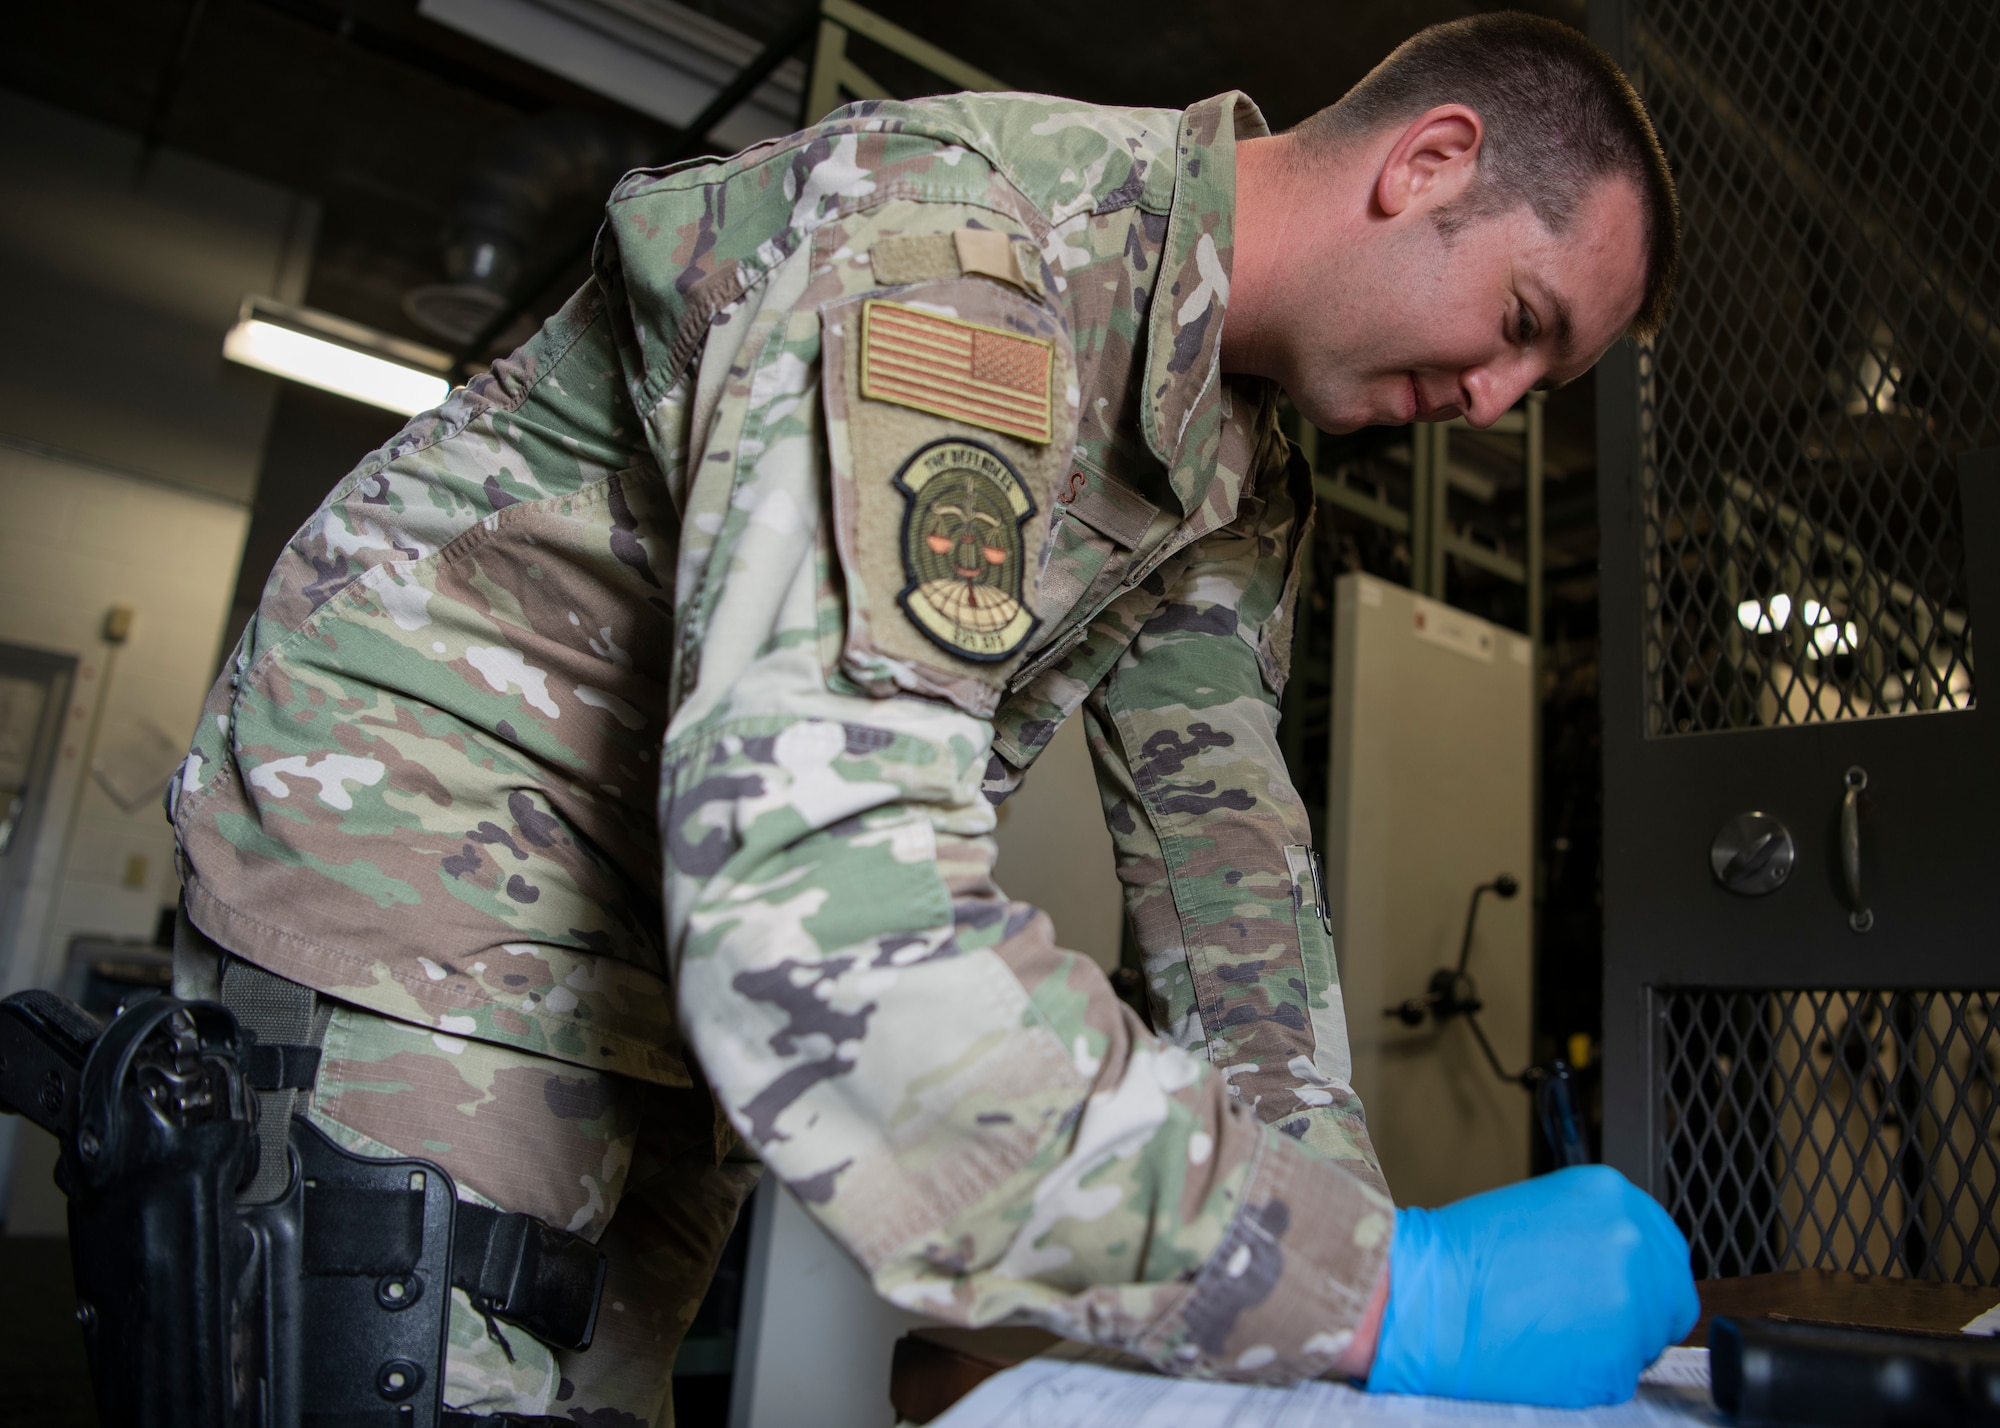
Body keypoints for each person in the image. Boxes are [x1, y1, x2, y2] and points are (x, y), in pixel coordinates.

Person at [165, 12, 1695, 1423]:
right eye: (1518, 318)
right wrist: (1390, 1297)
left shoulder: (1239, 466)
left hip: (657, 977)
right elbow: (826, 911)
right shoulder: (968, 256)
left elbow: (1231, 888)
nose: (1496, 402)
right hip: (427, 887)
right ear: (1430, 162)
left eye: (1541, 380)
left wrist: (1355, 1282)